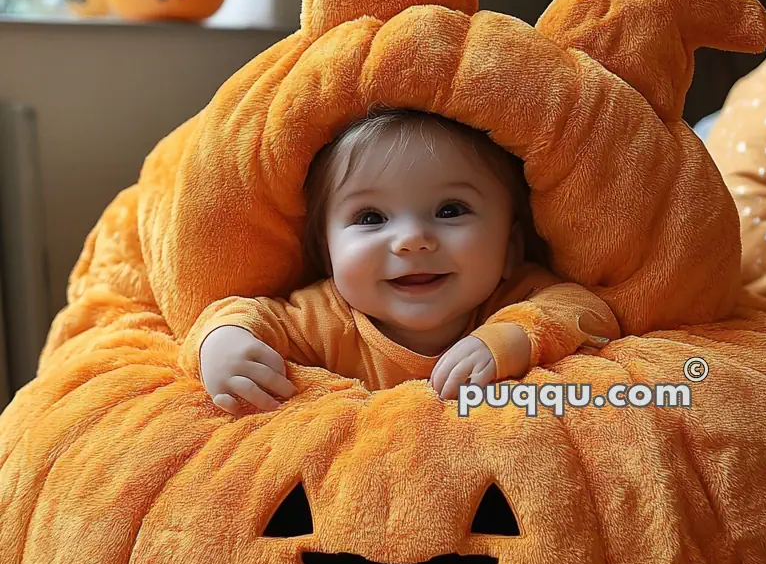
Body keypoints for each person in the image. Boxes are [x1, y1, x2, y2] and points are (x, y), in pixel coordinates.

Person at [183, 106, 621, 414]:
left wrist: (512, 341)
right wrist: (222, 343)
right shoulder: (324, 319)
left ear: (509, 247)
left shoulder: (511, 300)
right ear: (327, 252)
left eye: (450, 210)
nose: (412, 239)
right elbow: (245, 314)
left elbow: (589, 313)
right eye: (370, 217)